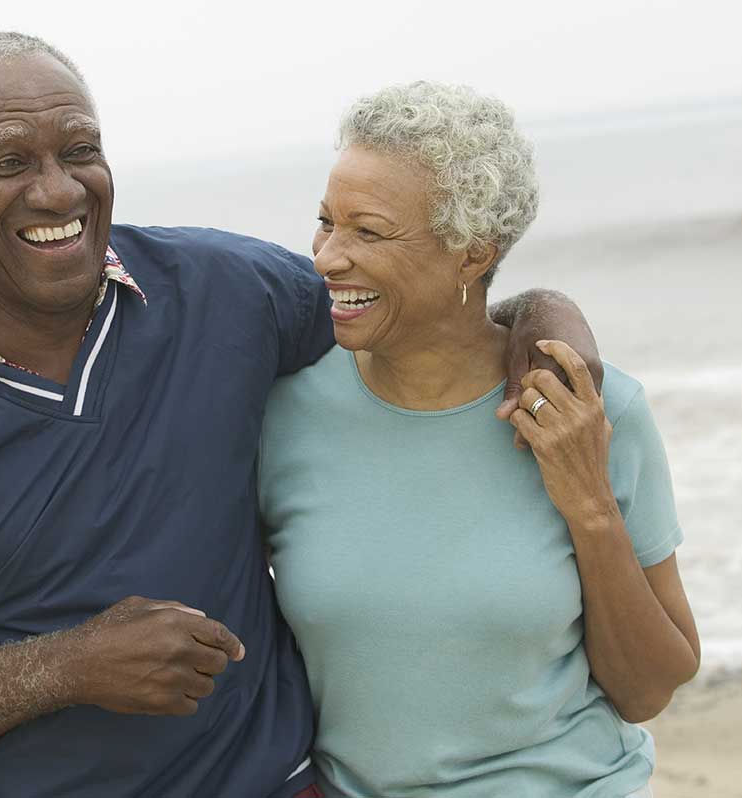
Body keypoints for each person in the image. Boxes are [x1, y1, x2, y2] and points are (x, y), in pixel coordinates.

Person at [0, 34, 602, 798]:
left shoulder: (224, 291)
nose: (57, 189)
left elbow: (411, 311)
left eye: (80, 151)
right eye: (7, 162)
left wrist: (545, 316)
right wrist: (68, 667)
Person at [259, 82, 700, 798]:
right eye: (324, 222)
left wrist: (589, 504)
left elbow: (648, 690)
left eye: (368, 231)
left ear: (471, 255)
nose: (327, 258)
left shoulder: (594, 407)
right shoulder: (284, 413)